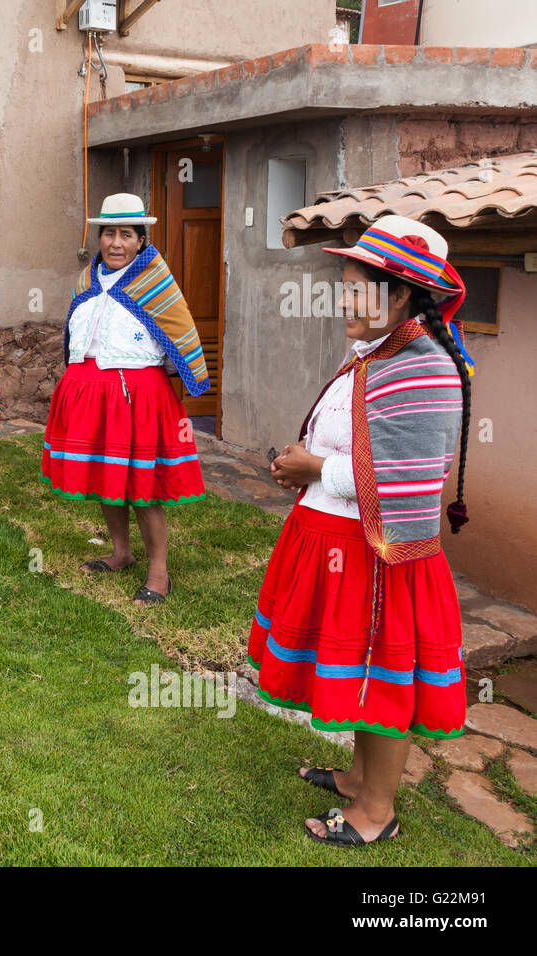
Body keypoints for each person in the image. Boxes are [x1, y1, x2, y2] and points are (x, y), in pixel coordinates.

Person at [251, 215, 473, 847]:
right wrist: (305, 465)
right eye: (343, 286)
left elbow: (407, 474)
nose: (343, 300)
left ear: (401, 294)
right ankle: (358, 777)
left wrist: (314, 466)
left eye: (358, 288)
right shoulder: (376, 354)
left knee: (381, 680)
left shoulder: (425, 367)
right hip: (336, 540)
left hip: (379, 556)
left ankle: (377, 812)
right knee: (360, 673)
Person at [41, 193, 209, 605]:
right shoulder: (86, 280)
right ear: (100, 238)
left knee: (143, 487)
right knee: (105, 477)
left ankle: (159, 573)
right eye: (109, 234)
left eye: (126, 235)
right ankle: (121, 552)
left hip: (137, 397)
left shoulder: (156, 283)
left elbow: (178, 342)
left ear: (141, 240)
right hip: (90, 393)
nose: (116, 243)